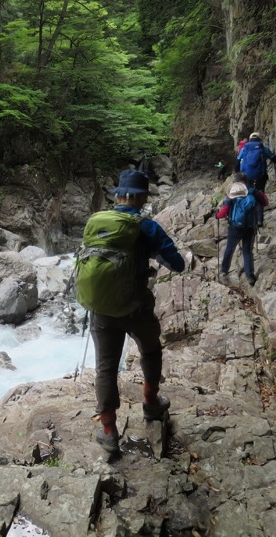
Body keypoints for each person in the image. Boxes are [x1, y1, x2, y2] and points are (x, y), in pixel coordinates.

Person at [91, 169, 185, 455]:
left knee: (105, 368)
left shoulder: (98, 221)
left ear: (118, 194)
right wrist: (152, 253)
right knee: (151, 351)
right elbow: (177, 264)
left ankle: (108, 432)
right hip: (136, 306)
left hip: (102, 308)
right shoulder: (148, 226)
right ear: (142, 197)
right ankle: (151, 403)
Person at [215, 172, 269, 286]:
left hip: (235, 226)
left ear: (236, 182)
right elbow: (264, 203)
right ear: (246, 181)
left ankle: (224, 271)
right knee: (247, 251)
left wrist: (217, 215)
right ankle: (250, 275)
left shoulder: (232, 193)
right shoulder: (252, 191)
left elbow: (223, 212)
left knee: (230, 248)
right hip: (249, 226)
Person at [236, 132, 276, 226]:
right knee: (259, 194)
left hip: (246, 177)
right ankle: (259, 220)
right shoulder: (263, 148)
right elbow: (275, 160)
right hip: (260, 176)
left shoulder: (244, 149)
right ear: (259, 139)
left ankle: (246, 219)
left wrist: (238, 174)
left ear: (250, 139)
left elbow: (237, 162)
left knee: (247, 194)